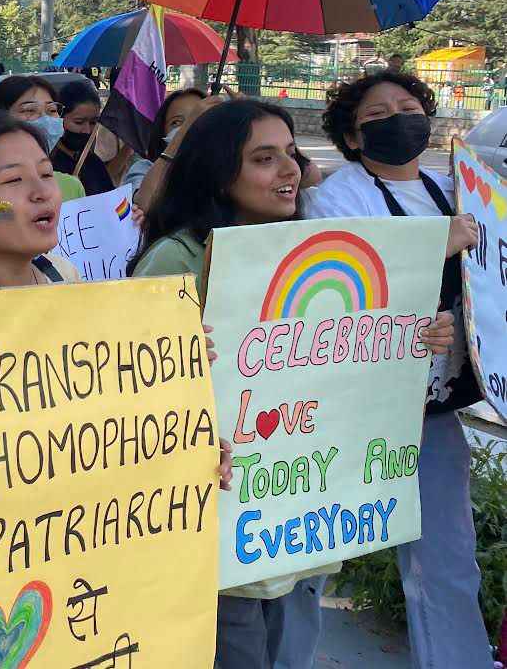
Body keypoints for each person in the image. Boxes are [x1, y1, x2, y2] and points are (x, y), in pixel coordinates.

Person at [0, 111, 230, 667]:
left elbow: (105, 429)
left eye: (43, 175)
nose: (42, 193)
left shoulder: (66, 278)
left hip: (71, 586)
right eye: (12, 181)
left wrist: (184, 434)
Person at [132, 98, 457, 669]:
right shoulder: (175, 261)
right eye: (263, 158)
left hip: (301, 531)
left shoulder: (317, 250)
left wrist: (411, 336)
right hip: (217, 532)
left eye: (290, 153)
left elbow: (347, 370)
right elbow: (133, 394)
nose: (289, 170)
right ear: (216, 171)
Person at [307, 71, 488, 669]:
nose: (399, 120)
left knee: (446, 558)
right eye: (378, 115)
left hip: (431, 402)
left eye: (409, 108)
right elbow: (342, 276)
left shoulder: (451, 188)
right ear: (353, 139)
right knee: (311, 551)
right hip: (356, 407)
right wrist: (440, 240)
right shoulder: (337, 196)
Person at [0, 75, 85, 201]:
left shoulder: (71, 186)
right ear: (0, 117)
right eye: (29, 110)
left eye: (52, 110)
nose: (45, 119)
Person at [124, 87, 207, 205]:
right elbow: (145, 203)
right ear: (162, 131)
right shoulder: (144, 169)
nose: (188, 127)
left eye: (198, 118)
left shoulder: (225, 168)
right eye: (176, 122)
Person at [49, 79, 112, 195]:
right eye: (79, 122)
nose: (87, 131)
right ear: (59, 117)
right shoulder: (47, 167)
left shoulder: (95, 163)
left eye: (93, 122)